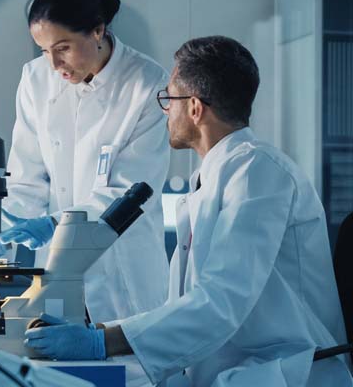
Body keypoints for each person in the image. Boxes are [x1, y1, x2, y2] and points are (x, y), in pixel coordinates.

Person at [24, 36, 353, 386]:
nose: (165, 110)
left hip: (282, 373)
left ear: (195, 108)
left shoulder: (259, 173)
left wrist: (100, 343)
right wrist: (101, 331)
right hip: (233, 372)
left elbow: (220, 302)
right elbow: (191, 307)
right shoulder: (214, 177)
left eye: (168, 98)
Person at [0, 0, 170, 385]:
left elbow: (124, 196)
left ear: (97, 30)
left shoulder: (147, 84)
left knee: (128, 376)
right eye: (43, 50)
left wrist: (48, 226)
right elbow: (26, 177)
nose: (54, 63)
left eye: (63, 48)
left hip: (123, 274)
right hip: (57, 274)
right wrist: (7, 238)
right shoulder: (36, 79)